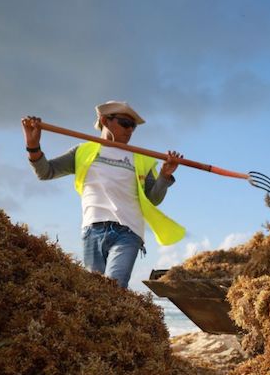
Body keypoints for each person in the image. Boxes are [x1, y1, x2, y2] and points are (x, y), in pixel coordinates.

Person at [21, 100, 186, 289]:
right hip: (92, 231)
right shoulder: (83, 151)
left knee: (115, 286)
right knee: (95, 291)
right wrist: (32, 145)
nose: (130, 130)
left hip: (128, 231)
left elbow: (153, 198)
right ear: (105, 120)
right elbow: (45, 172)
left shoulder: (140, 158)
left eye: (133, 126)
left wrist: (165, 175)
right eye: (125, 123)